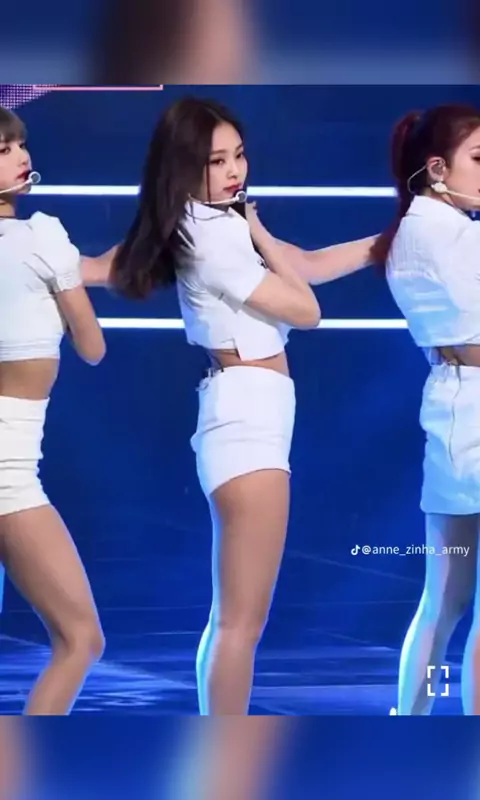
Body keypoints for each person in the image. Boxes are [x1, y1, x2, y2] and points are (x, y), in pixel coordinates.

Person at [83, 96, 378, 715]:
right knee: (241, 624)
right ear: (185, 166)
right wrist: (261, 232)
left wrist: (387, 240)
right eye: (216, 161)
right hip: (246, 418)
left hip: (248, 411)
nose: (235, 170)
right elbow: (307, 310)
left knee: (235, 621)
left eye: (238, 155)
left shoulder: (210, 221)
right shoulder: (214, 236)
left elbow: (304, 266)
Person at [372, 103, 480, 715]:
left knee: (444, 601)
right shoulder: (451, 235)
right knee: (451, 602)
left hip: (451, 410)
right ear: (438, 168)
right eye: (479, 159)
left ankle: (414, 721)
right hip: (470, 406)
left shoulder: (414, 230)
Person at [0, 105, 106, 715]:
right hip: (8, 468)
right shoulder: (43, 237)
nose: (21, 156)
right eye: (4, 149)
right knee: (80, 639)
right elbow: (92, 347)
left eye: (20, 144)